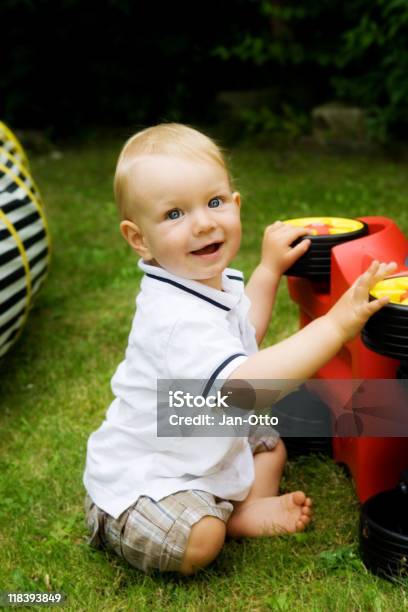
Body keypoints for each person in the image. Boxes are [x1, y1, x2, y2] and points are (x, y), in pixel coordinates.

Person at [83, 123, 396, 576]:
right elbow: (249, 386)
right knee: (200, 539)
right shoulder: (174, 317)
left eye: (213, 203)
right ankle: (215, 520)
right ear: (139, 238)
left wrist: (268, 271)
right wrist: (335, 325)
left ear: (235, 204)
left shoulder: (204, 284)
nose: (204, 222)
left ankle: (246, 507)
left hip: (200, 433)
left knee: (270, 445)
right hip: (150, 476)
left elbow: (244, 332)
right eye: (174, 214)